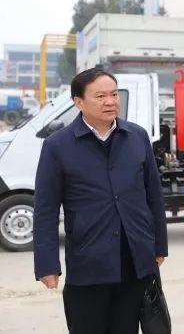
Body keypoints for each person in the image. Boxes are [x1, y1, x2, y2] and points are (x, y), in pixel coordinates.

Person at [34, 68, 168, 334]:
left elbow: (153, 195)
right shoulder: (57, 146)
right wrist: (47, 264)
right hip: (88, 262)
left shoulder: (137, 136)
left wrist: (159, 246)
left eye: (114, 94)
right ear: (79, 102)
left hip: (134, 260)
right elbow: (46, 210)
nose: (110, 102)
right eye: (100, 96)